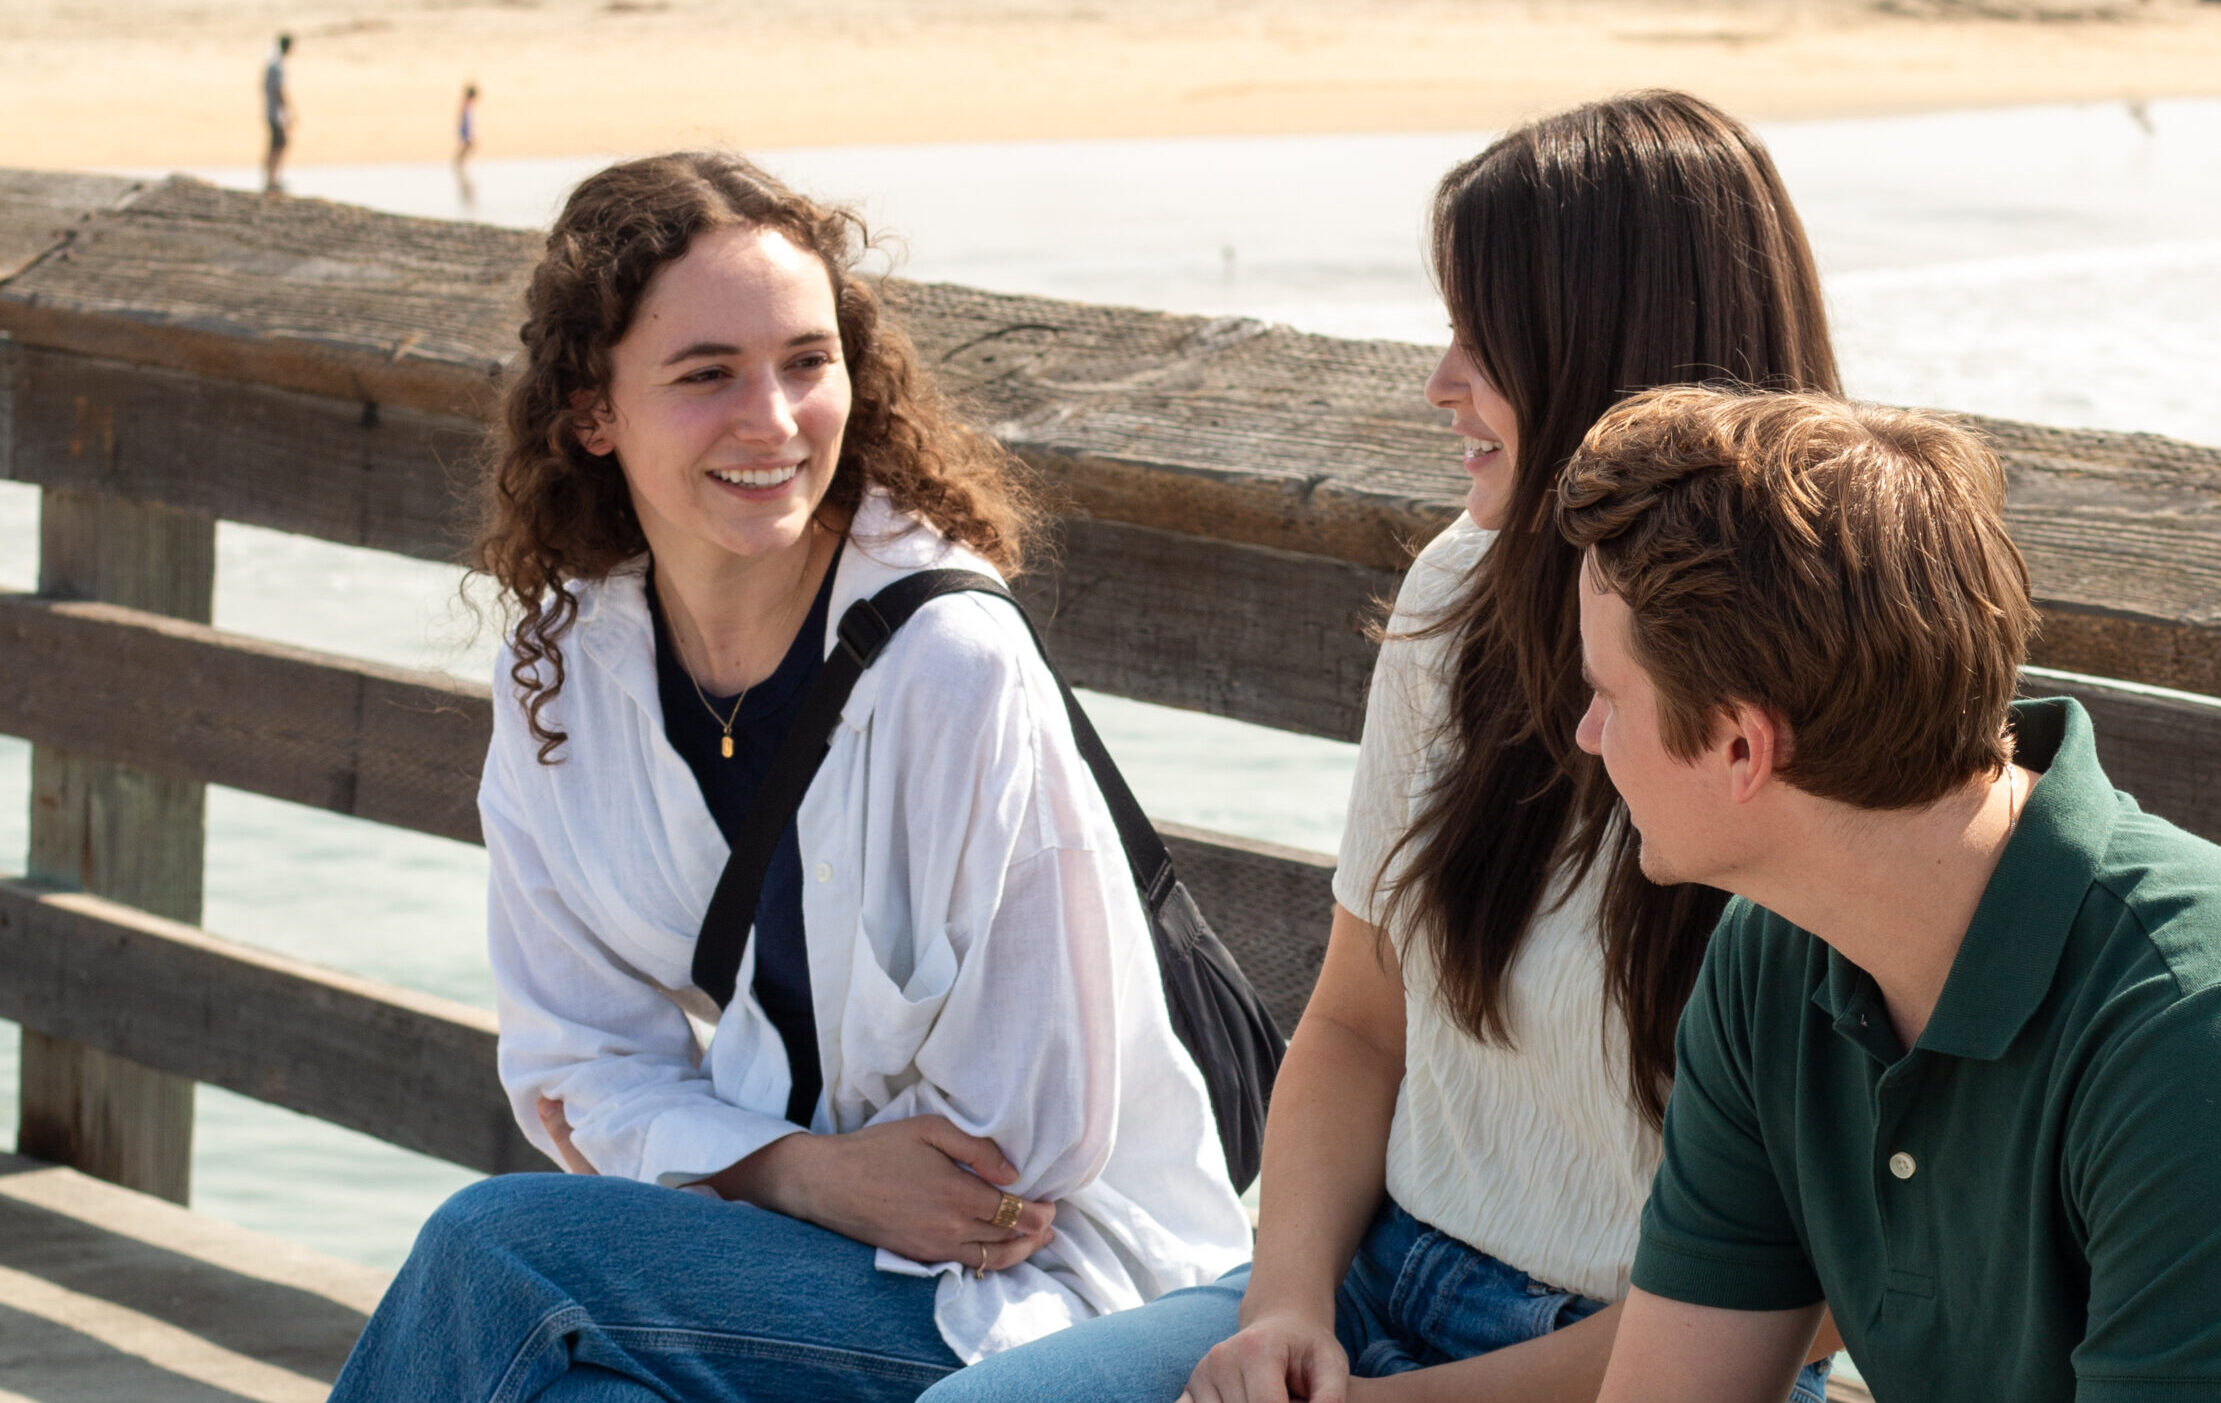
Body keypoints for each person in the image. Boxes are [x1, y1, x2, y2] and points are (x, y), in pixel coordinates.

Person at [920, 91, 1841, 1403]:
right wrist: (1285, 1309)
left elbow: (1798, 1299)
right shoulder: (1460, 587)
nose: (1441, 378)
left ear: (1605, 348)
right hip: (1371, 1279)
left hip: (1645, 1369)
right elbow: (1355, 1023)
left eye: (1487, 335)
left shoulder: (1830, 694)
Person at [326, 152, 1251, 1403]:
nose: (772, 418)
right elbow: (570, 1063)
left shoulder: (950, 665)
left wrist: (729, 1160)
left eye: (807, 363)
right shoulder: (565, 668)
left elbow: (1012, 1168)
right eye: (707, 375)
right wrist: (794, 1169)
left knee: (495, 1248)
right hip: (786, 1238)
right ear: (594, 412)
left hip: (1034, 1292)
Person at [1557, 388, 2221, 1403]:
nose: (1588, 734)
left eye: (1605, 693)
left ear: (1739, 745)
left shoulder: (2219, 1038)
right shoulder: (1774, 953)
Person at [261, 32, 293, 194]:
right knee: (278, 145)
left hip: (271, 110)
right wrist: (286, 111)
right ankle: (271, 179)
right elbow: (279, 90)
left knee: (276, 145)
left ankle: (271, 178)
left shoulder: (272, 64)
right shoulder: (277, 66)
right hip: (276, 113)